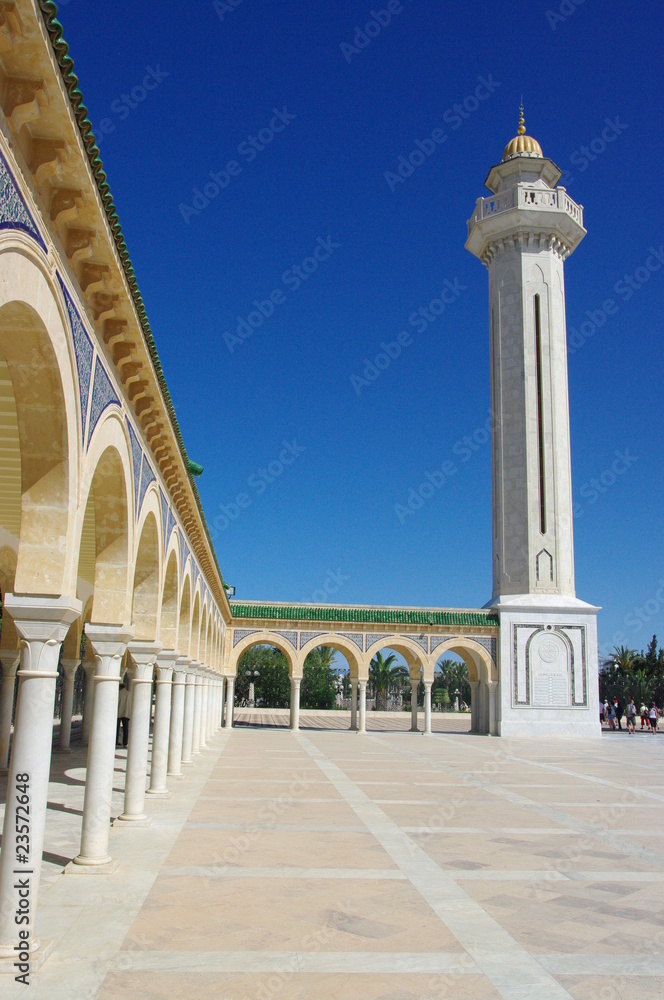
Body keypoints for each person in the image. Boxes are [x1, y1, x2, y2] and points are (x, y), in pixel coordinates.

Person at [117, 673, 131, 747]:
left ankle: (116, 741)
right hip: (126, 712)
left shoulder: (118, 693)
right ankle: (125, 743)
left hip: (118, 712)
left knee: (117, 728)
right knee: (126, 729)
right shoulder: (129, 694)